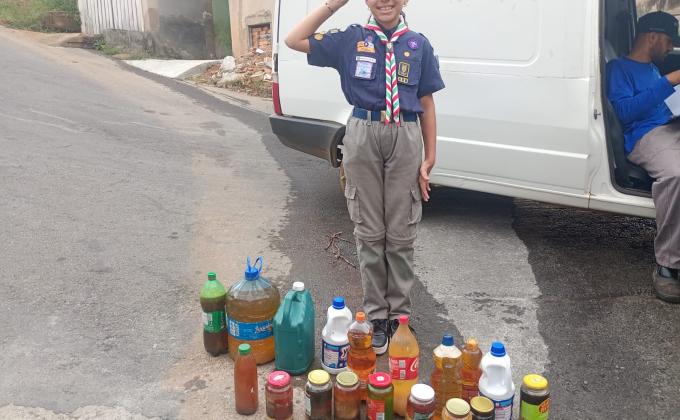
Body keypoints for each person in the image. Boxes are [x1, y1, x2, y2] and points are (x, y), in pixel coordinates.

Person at [285, 0, 445, 352]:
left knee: (400, 231)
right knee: (369, 231)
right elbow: (293, 40)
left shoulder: (418, 44)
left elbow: (427, 102)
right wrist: (334, 4)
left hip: (405, 133)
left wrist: (430, 156)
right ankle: (376, 315)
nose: (384, 0)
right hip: (362, 131)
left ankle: (399, 316)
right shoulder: (351, 39)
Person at [607, 11, 680, 303]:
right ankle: (668, 265)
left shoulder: (651, 68)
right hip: (645, 136)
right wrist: (671, 80)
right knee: (676, 175)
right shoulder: (618, 68)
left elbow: (659, 103)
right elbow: (625, 112)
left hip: (669, 124)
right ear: (652, 37)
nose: (671, 48)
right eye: (669, 41)